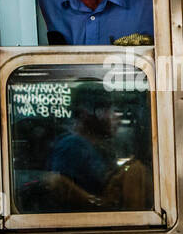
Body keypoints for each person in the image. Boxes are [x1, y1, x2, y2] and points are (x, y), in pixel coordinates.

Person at [45, 80, 150, 211]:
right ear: (86, 113)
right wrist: (100, 204)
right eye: (108, 110)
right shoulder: (72, 147)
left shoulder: (97, 148)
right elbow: (60, 191)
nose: (115, 117)